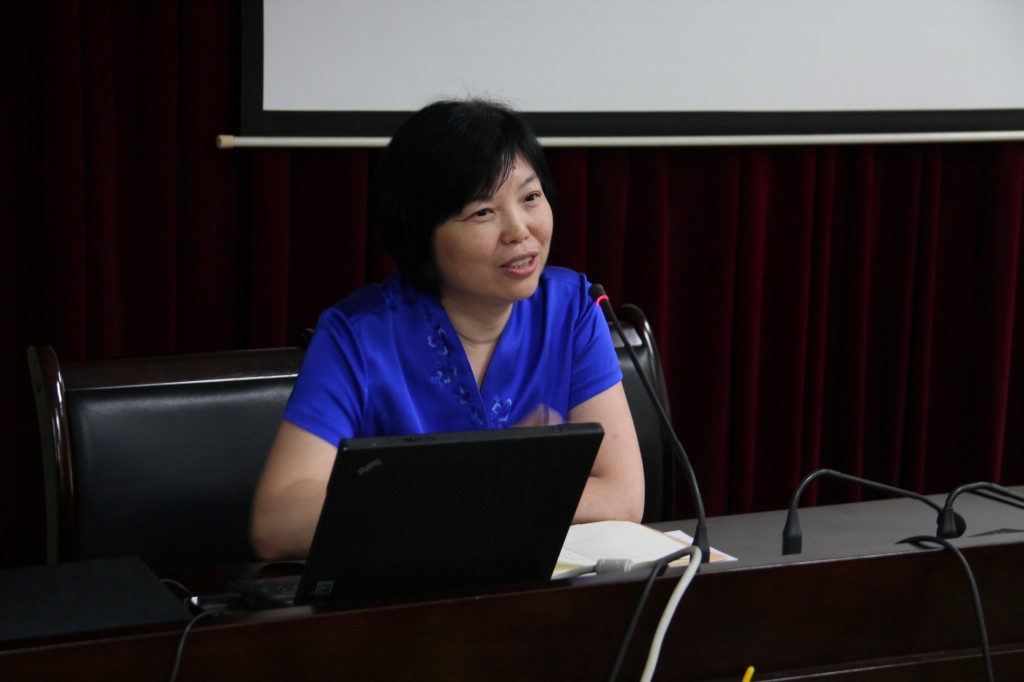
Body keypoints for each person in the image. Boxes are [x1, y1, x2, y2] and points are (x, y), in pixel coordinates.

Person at [250, 98, 644, 561]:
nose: (520, 230)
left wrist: (442, 502)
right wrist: (500, 491)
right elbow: (277, 522)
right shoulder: (358, 336)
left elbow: (621, 495)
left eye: (530, 197)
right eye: (483, 212)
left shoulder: (571, 309)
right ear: (422, 235)